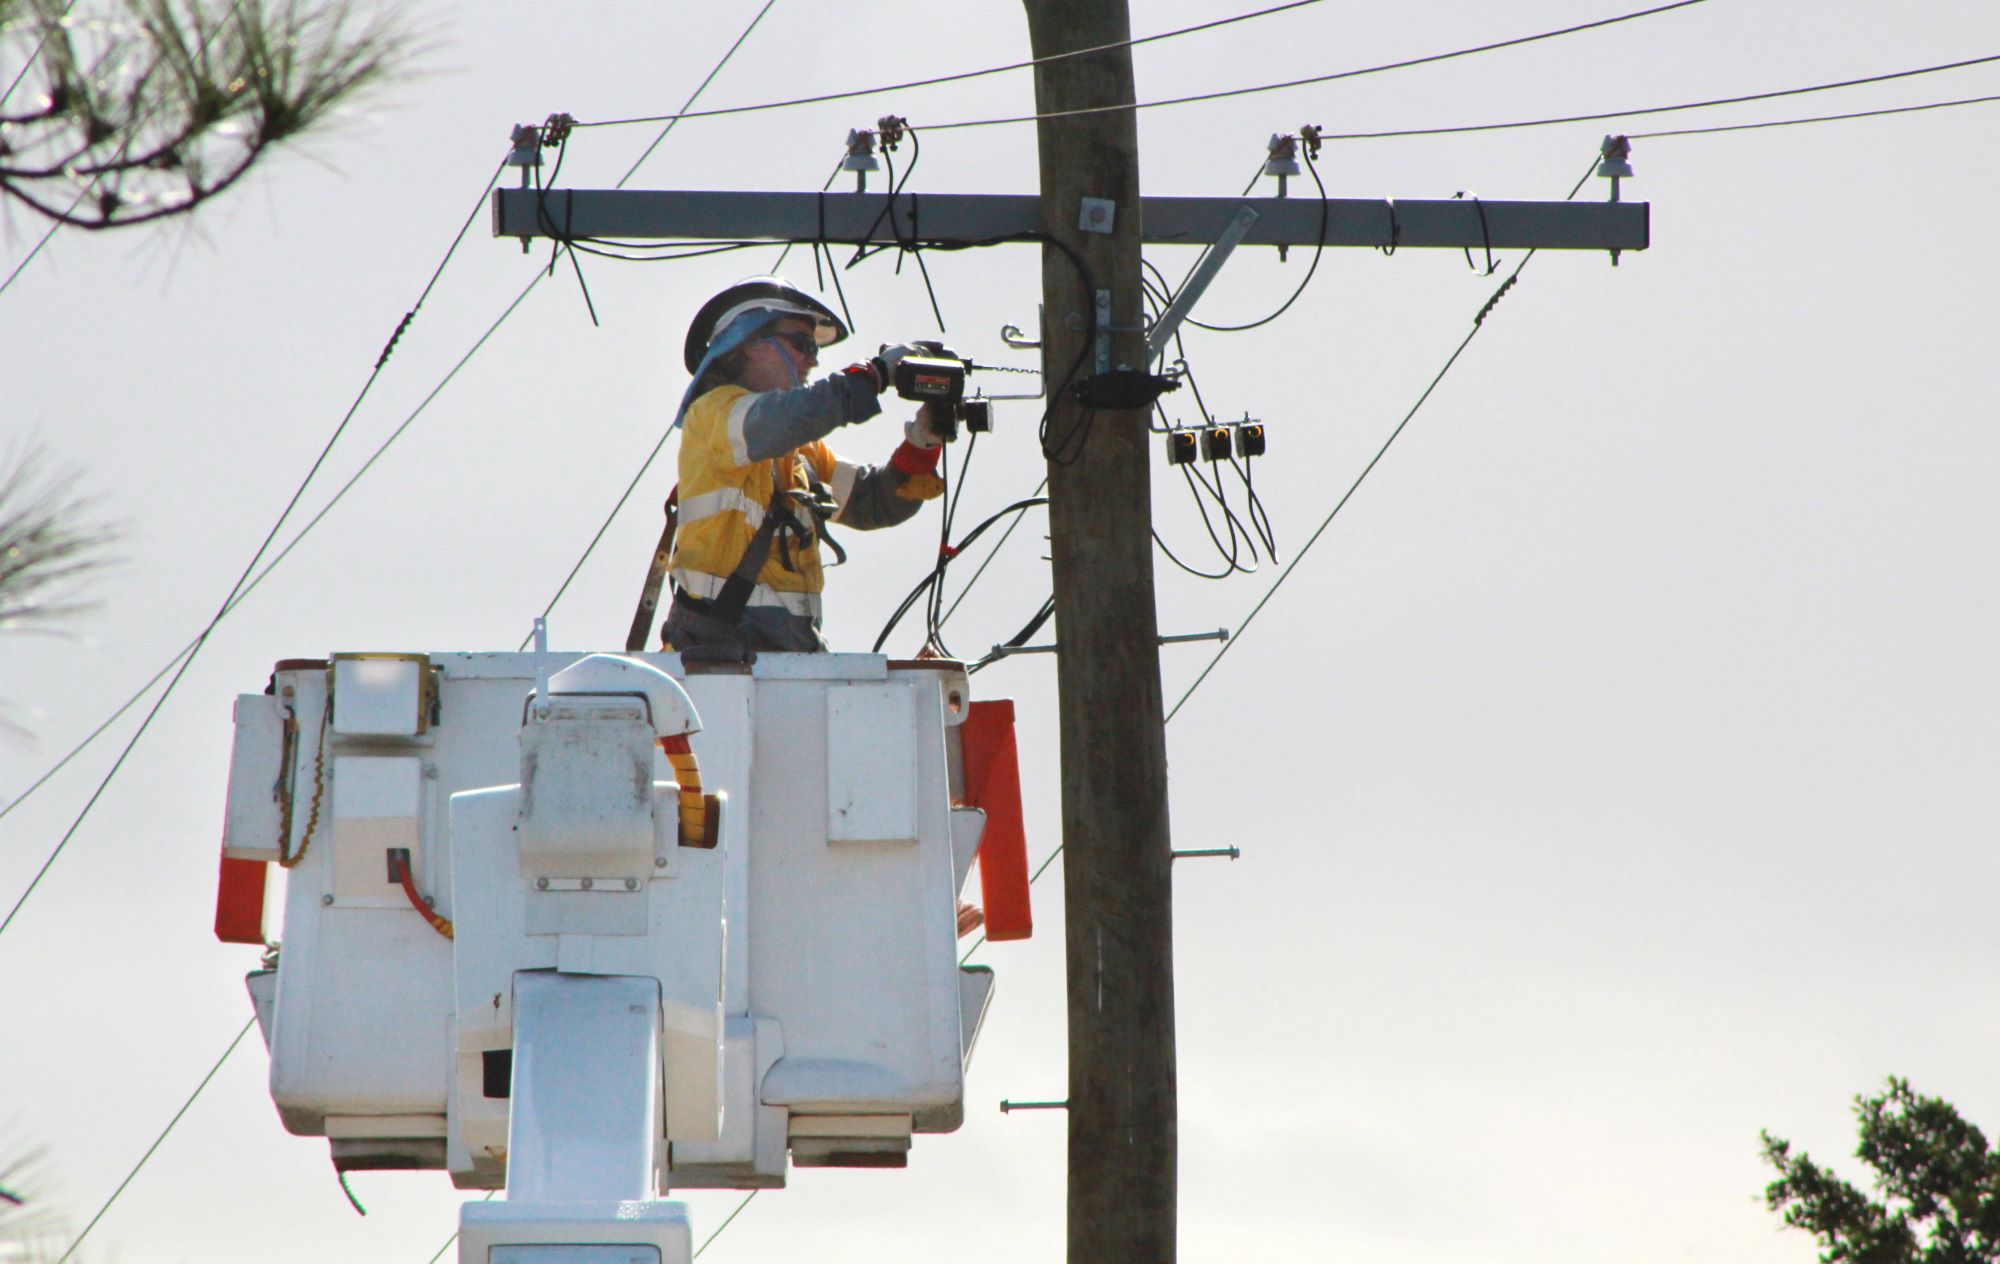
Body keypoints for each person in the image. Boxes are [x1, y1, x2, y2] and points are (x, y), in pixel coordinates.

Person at [660, 277, 953, 654]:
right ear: (748, 343)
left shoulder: (800, 453)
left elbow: (876, 501)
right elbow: (791, 416)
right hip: (712, 665)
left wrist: (923, 441)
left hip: (786, 661)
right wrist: (875, 373)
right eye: (802, 344)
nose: (812, 359)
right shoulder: (715, 415)